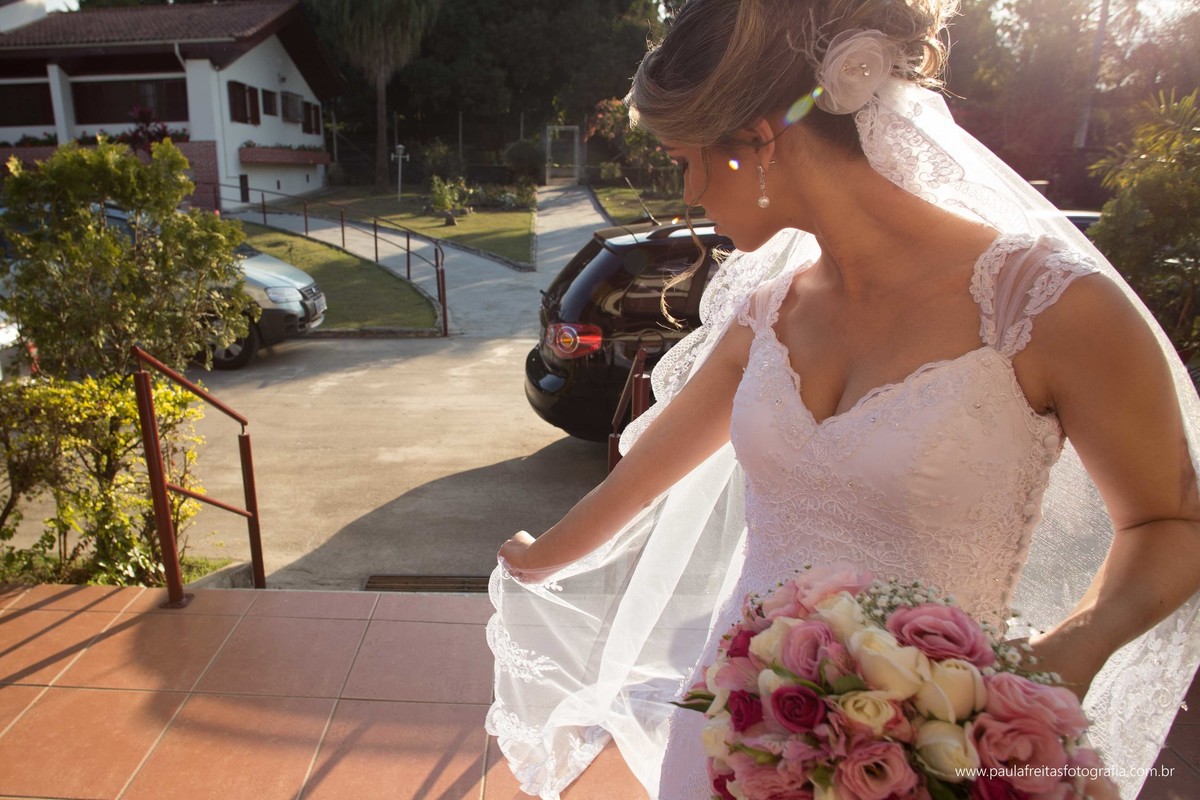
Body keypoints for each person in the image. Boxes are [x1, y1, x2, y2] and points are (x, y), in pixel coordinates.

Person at [486, 1, 1200, 797]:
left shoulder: (1047, 307)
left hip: (940, 749)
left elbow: (1169, 521)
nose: (687, 191)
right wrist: (538, 556)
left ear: (759, 139)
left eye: (684, 159)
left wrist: (1058, 662)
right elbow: (642, 474)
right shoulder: (767, 314)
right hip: (737, 727)